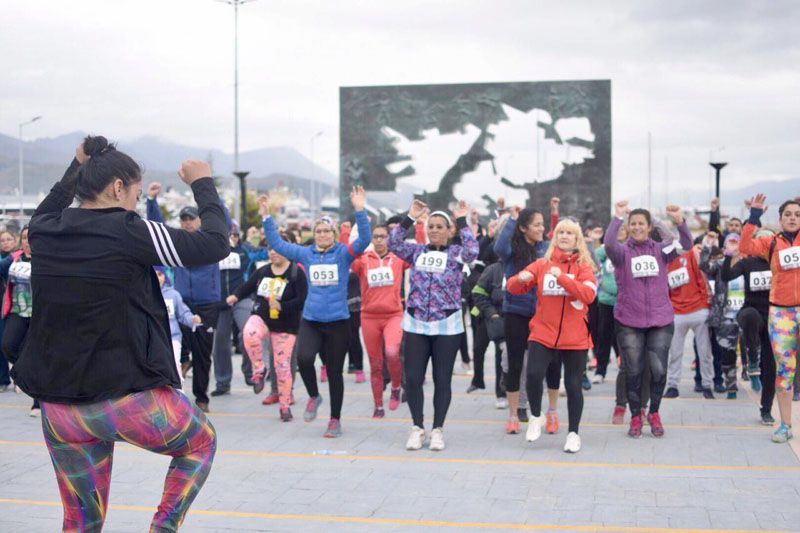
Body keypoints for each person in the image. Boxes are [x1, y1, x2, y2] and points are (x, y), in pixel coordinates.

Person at [11, 137, 228, 531]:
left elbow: (53, 203)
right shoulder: (129, 230)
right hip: (125, 400)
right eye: (135, 194)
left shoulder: (44, 229)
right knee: (201, 442)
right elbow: (214, 243)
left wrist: (76, 164)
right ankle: (163, 527)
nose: (134, 203)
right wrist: (203, 184)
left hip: (59, 409)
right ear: (117, 188)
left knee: (81, 522)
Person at [258, 188, 370, 438]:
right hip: (312, 320)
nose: (322, 235)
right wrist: (266, 216)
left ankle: (335, 420)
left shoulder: (343, 254)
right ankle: (313, 396)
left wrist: (359, 210)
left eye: (327, 231)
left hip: (338, 322)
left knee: (335, 373)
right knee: (304, 359)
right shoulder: (306, 254)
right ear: (314, 234)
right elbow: (277, 243)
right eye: (318, 231)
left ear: (333, 234)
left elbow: (363, 240)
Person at [389, 199, 478, 451]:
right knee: (413, 378)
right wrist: (409, 217)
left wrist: (462, 220)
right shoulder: (416, 252)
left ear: (449, 231)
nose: (435, 230)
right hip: (417, 324)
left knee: (442, 379)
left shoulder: (456, 254)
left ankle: (438, 429)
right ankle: (417, 427)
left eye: (440, 227)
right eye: (431, 226)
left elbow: (472, 251)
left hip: (446, 325)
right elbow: (394, 243)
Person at [604, 201, 693, 438]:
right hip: (628, 320)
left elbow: (686, 244)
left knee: (659, 370)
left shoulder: (662, 250)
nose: (636, 227)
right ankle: (635, 416)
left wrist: (679, 221)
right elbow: (609, 243)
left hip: (660, 320)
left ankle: (654, 412)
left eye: (641, 223)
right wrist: (617, 217)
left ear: (649, 226)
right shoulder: (622, 253)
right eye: (632, 224)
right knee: (633, 371)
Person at [507, 219, 597, 452]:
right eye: (560, 232)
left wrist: (563, 278)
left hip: (575, 336)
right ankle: (536, 416)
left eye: (569, 233)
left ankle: (573, 433)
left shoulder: (584, 267)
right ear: (554, 237)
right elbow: (512, 288)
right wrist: (519, 279)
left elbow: (588, 295)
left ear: (577, 239)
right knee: (533, 375)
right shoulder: (542, 264)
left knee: (573, 385)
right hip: (543, 332)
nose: (564, 236)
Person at [147, 184, 232, 413]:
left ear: (199, 220)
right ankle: (179, 379)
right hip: (182, 302)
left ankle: (201, 398)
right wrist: (152, 201)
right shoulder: (178, 243)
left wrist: (215, 200)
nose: (187, 223)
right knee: (177, 345)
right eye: (183, 219)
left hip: (207, 305)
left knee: (203, 354)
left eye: (191, 219)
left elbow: (224, 224)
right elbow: (158, 229)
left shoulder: (210, 242)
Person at [494, 202, 562, 433]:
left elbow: (559, 240)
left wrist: (555, 216)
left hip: (545, 314)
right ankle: (514, 415)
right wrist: (512, 219)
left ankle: (552, 412)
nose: (541, 228)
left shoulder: (546, 248)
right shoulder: (511, 250)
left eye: (542, 224)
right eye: (536, 225)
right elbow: (499, 246)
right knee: (515, 364)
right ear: (523, 228)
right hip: (516, 312)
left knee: (552, 363)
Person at [740, 194, 800, 443]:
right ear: (780, 219)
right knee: (784, 371)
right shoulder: (771, 243)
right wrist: (754, 216)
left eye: (797, 215)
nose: (793, 218)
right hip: (781, 313)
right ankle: (785, 425)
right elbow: (745, 246)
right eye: (788, 215)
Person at [228, 234, 307, 421]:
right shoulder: (263, 271)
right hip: (262, 318)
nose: (273, 252)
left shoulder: (296, 273)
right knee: (249, 333)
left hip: (286, 326)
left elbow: (302, 300)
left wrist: (282, 306)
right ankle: (259, 370)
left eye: (277, 249)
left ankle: (285, 406)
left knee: (282, 367)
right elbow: (247, 286)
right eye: (270, 249)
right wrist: (236, 296)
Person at [350, 224, 409, 417]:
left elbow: (419, 251)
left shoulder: (398, 259)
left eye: (383, 236)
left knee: (392, 352)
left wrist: (419, 226)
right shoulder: (363, 260)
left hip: (393, 315)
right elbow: (348, 254)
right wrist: (349, 232)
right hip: (369, 317)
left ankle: (396, 387)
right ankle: (378, 406)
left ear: (389, 239)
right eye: (375, 237)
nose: (379, 240)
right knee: (375, 364)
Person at [724, 228, 776, 424]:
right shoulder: (748, 262)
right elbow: (727, 275)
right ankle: (752, 359)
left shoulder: (778, 262)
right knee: (751, 316)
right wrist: (729, 256)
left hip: (774, 315)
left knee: (770, 367)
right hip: (750, 311)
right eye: (760, 238)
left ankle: (766, 410)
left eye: (768, 238)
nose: (764, 242)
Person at [663, 236, 715, 399]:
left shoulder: (691, 254)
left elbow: (701, 278)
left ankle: (707, 385)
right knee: (675, 351)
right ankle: (672, 385)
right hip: (677, 312)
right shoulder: (665, 260)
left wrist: (705, 305)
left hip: (698, 309)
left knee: (704, 351)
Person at [700, 233, 744, 399]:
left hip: (746, 314)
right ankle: (731, 385)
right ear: (725, 247)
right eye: (730, 243)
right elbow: (704, 266)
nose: (733, 245)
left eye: (736, 242)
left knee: (752, 348)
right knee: (728, 352)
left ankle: (753, 373)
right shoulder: (720, 264)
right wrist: (708, 246)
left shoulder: (747, 263)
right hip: (725, 316)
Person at [0, 227, 38, 416]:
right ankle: (23, 375)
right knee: (8, 346)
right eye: (24, 237)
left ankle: (37, 403)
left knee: (37, 357)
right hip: (17, 311)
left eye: (30, 237)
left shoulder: (45, 259)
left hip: (39, 315)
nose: (27, 241)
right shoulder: (13, 259)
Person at [470, 260, 508, 409]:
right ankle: (477, 380)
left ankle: (501, 393)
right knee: (478, 349)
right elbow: (478, 293)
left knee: (501, 355)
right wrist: (490, 312)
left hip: (505, 319)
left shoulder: (520, 267)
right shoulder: (492, 269)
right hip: (487, 317)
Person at [155, 266, 202, 381]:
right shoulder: (145, 295)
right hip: (154, 339)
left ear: (165, 276)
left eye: (160, 275)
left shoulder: (173, 295)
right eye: (154, 275)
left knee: (175, 366)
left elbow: (183, 313)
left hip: (173, 338)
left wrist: (192, 319)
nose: (158, 278)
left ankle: (178, 389)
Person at [0, 230, 17, 392]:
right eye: (2, 240)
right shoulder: (3, 260)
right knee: (2, 344)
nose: (5, 243)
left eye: (8, 239)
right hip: (3, 306)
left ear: (14, 241)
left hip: (17, 307)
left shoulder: (18, 257)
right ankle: (3, 379)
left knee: (16, 344)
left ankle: (19, 378)